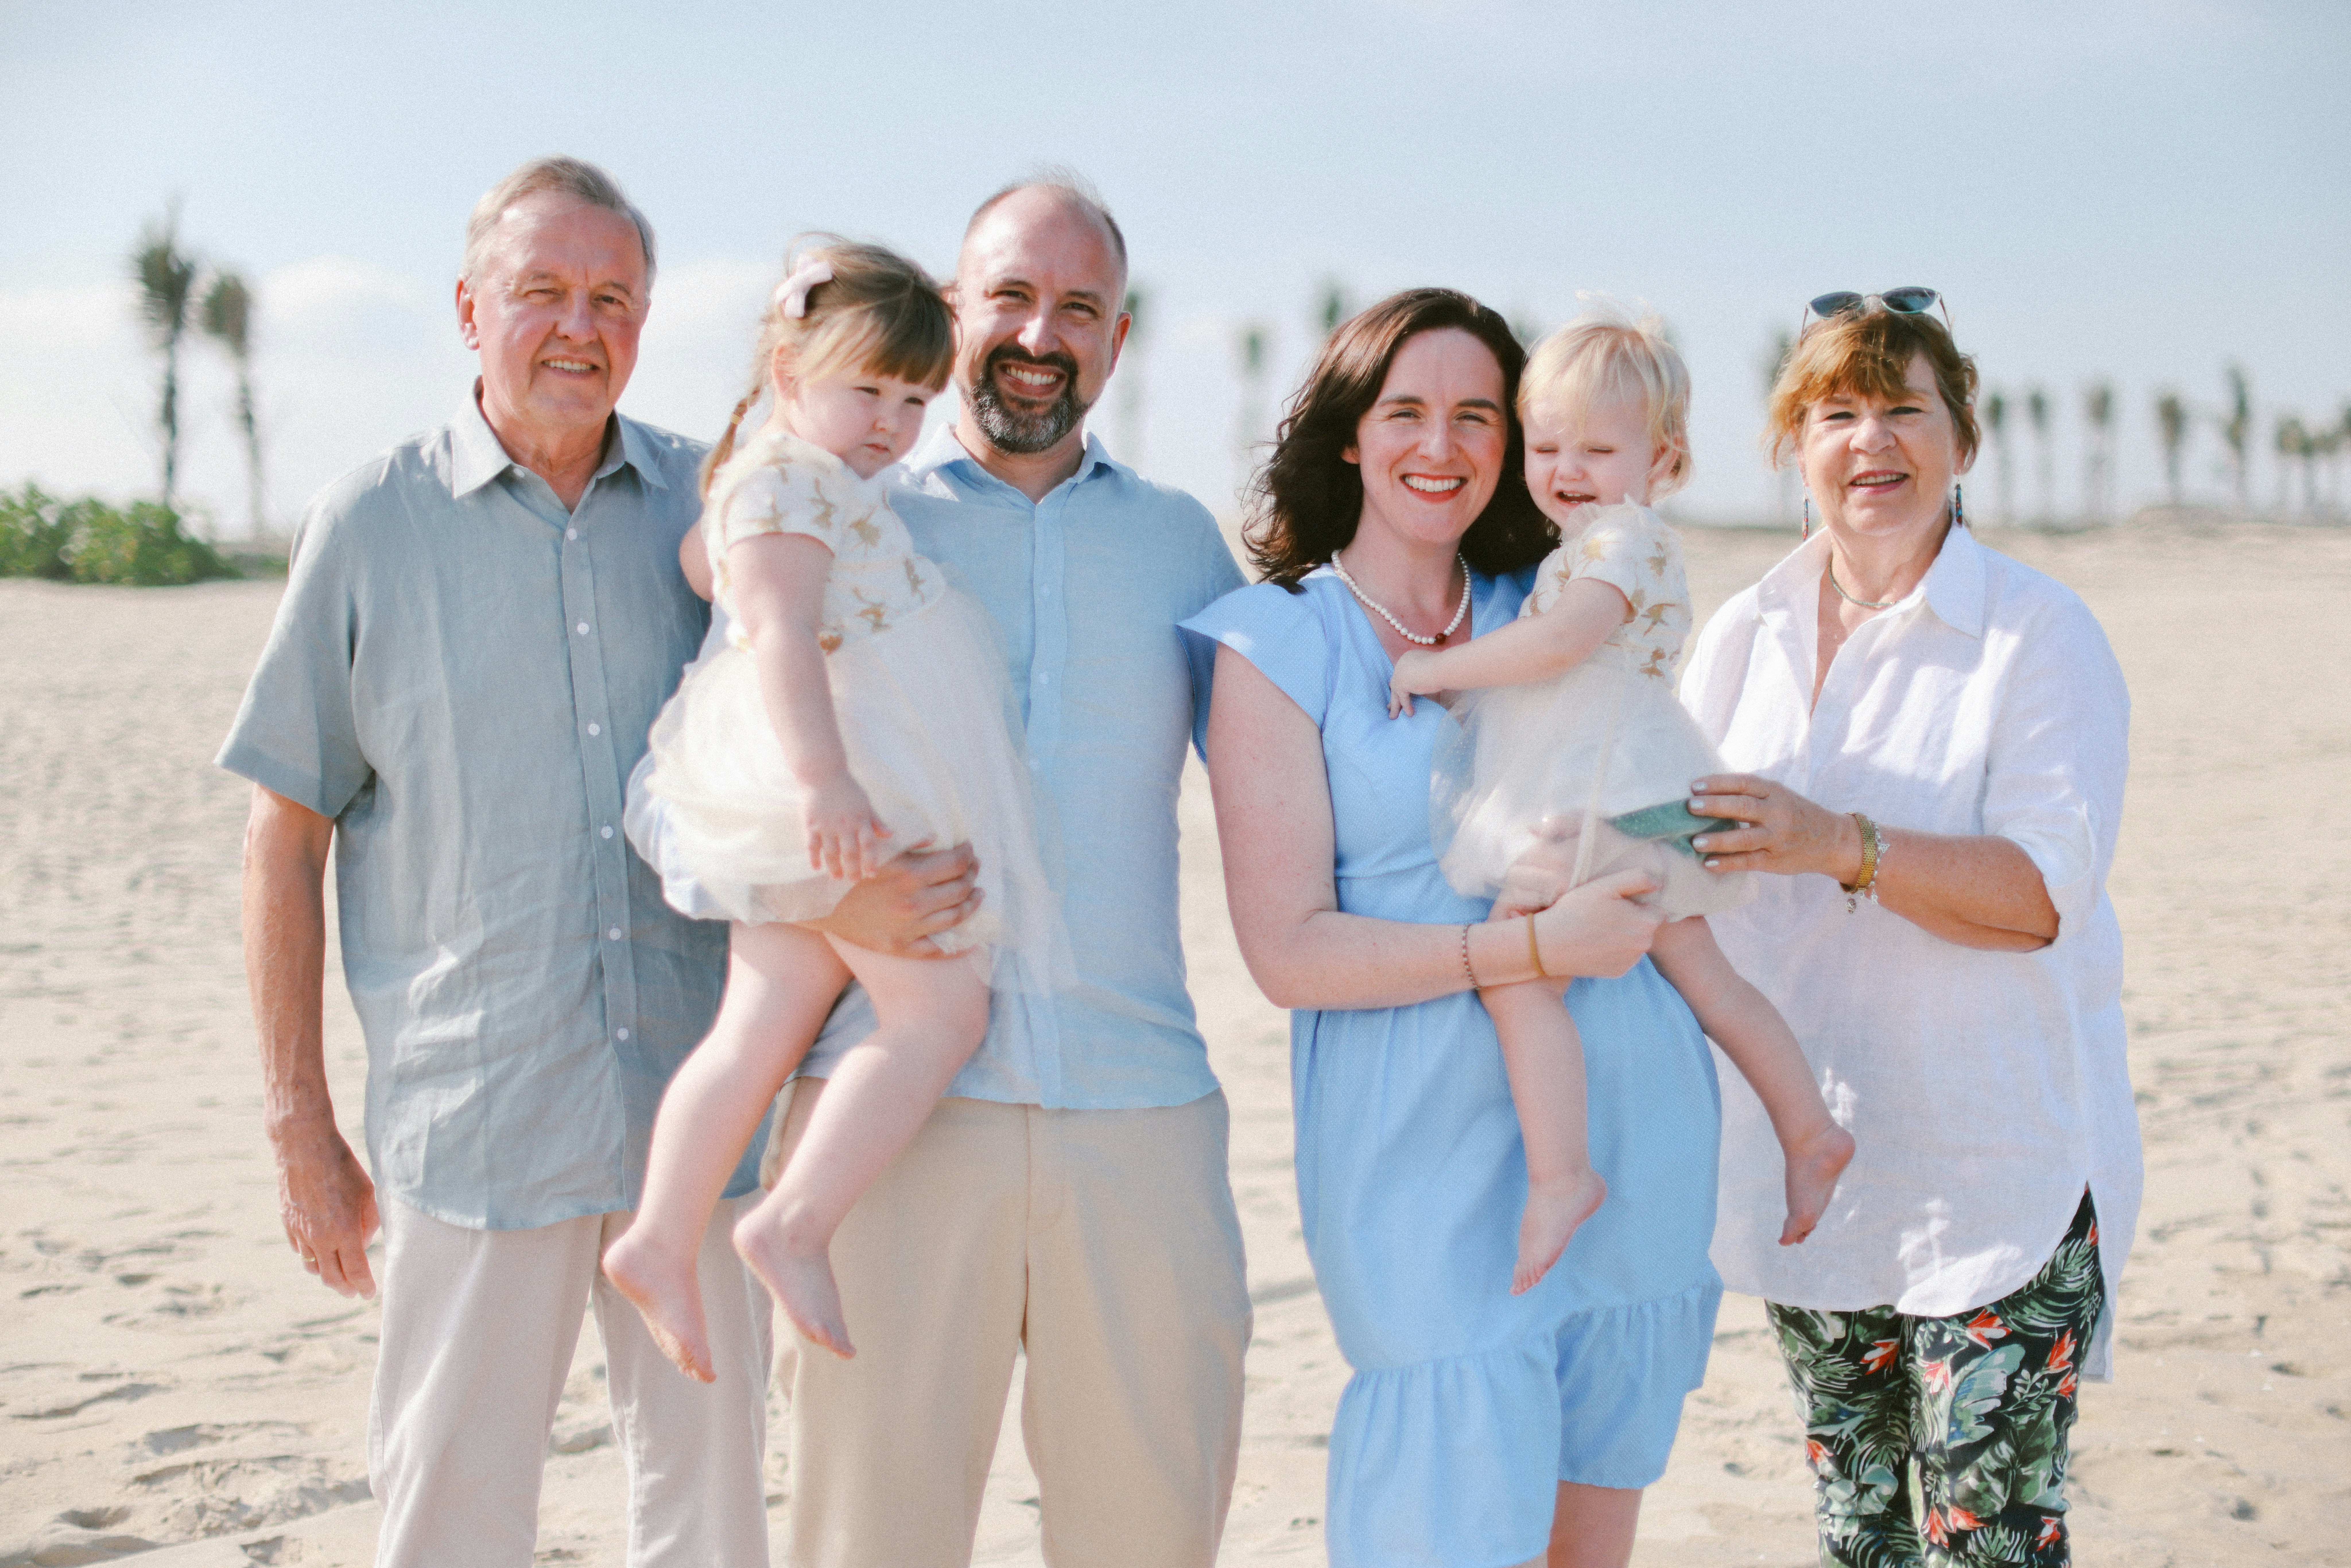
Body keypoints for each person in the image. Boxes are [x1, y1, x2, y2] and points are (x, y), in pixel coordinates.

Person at [217, 158, 773, 1567]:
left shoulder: (709, 523)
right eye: (541, 293)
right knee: (449, 1523)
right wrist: (299, 1127)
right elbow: (284, 837)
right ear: (470, 311)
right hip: (473, 1122)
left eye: (612, 298)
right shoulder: (370, 524)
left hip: (692, 1124)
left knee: (708, 1523)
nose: (577, 327)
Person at [753, 175, 1252, 1568]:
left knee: (1151, 1538)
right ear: (957, 310)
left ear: (1118, 334)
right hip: (892, 1117)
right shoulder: (839, 518)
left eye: (1077, 308)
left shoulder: (1180, 544)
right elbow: (713, 777)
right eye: (1011, 299)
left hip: (1140, 1106)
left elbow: (1303, 803)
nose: (1041, 332)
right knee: (867, 1543)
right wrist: (828, 898)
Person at [1186, 288, 1724, 1568]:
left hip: (1626, 1099)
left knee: (1589, 1521)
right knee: (1440, 1501)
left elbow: (1666, 797)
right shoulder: (1276, 639)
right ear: (1350, 436)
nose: (1442, 444)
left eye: (1477, 414)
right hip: (1409, 1143)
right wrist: (1526, 949)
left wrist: (1618, 852)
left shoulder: (1551, 601)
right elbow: (1286, 952)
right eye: (1406, 411)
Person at [1678, 289, 2139, 1568]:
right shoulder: (1736, 637)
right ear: (1791, 443)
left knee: (1986, 1548)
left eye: (1901, 409)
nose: (1868, 441)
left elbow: (2043, 896)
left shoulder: (2036, 636)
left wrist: (1842, 844)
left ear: (1960, 442)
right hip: (1807, 1187)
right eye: (1835, 412)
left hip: (2000, 1179)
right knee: (1858, 1542)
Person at [602, 238, 1060, 1372]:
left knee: (759, 1026)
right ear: (789, 363)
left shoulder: (790, 478)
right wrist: (825, 787)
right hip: (834, 783)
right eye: (868, 390)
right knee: (941, 1013)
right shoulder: (784, 483)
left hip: (829, 778)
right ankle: (790, 1221)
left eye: (914, 400)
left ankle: (662, 1234)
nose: (892, 425)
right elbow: (776, 635)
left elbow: (711, 567)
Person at [1387, 301, 1852, 1293]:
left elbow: (1560, 647)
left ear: (1666, 462)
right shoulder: (1589, 543)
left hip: (1614, 797)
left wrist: (1442, 670)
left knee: (1520, 966)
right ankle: (1809, 1130)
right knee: (1709, 978)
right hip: (1642, 799)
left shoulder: (1625, 542)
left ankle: (1562, 1176)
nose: (1566, 469)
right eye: (1546, 444)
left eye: (1599, 448)